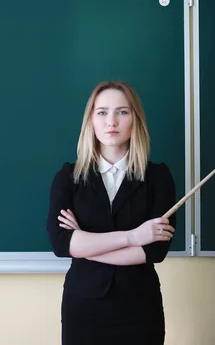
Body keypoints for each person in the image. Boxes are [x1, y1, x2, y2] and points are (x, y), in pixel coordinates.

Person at [46, 80, 177, 345]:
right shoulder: (69, 177)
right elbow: (61, 244)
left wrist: (85, 243)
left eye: (122, 112)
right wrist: (134, 236)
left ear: (135, 120)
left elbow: (154, 251)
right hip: (83, 309)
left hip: (140, 308)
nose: (112, 122)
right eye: (102, 112)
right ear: (91, 121)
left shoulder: (158, 177)